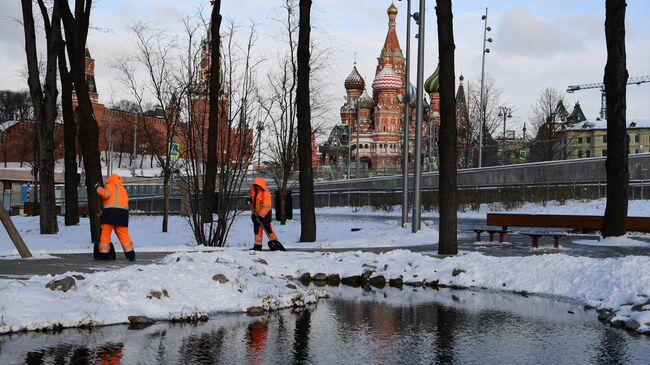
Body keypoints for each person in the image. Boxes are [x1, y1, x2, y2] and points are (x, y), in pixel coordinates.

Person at [95, 174, 136, 261]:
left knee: (105, 234)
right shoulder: (123, 189)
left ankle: (104, 255)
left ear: (110, 180)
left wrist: (97, 187)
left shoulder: (110, 186)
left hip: (110, 213)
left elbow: (105, 195)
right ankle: (131, 255)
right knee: (124, 235)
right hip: (122, 215)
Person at [246, 177, 285, 251]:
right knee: (257, 231)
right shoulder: (253, 192)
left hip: (265, 215)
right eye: (256, 186)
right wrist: (249, 199)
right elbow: (250, 198)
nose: (257, 187)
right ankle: (257, 246)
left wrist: (261, 216)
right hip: (255, 214)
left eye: (258, 186)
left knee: (268, 230)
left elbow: (267, 206)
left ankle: (275, 243)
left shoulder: (265, 193)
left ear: (261, 185)